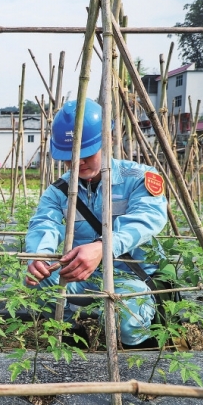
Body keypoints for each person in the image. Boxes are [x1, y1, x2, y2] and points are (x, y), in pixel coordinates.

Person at [24, 99, 168, 347]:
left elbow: (148, 218)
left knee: (124, 322)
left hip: (130, 277)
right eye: (70, 157)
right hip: (82, 276)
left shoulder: (138, 178)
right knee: (40, 280)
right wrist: (39, 256)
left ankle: (138, 343)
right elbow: (44, 223)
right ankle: (71, 335)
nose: (78, 162)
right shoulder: (59, 190)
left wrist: (103, 246)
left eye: (86, 153)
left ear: (107, 141)